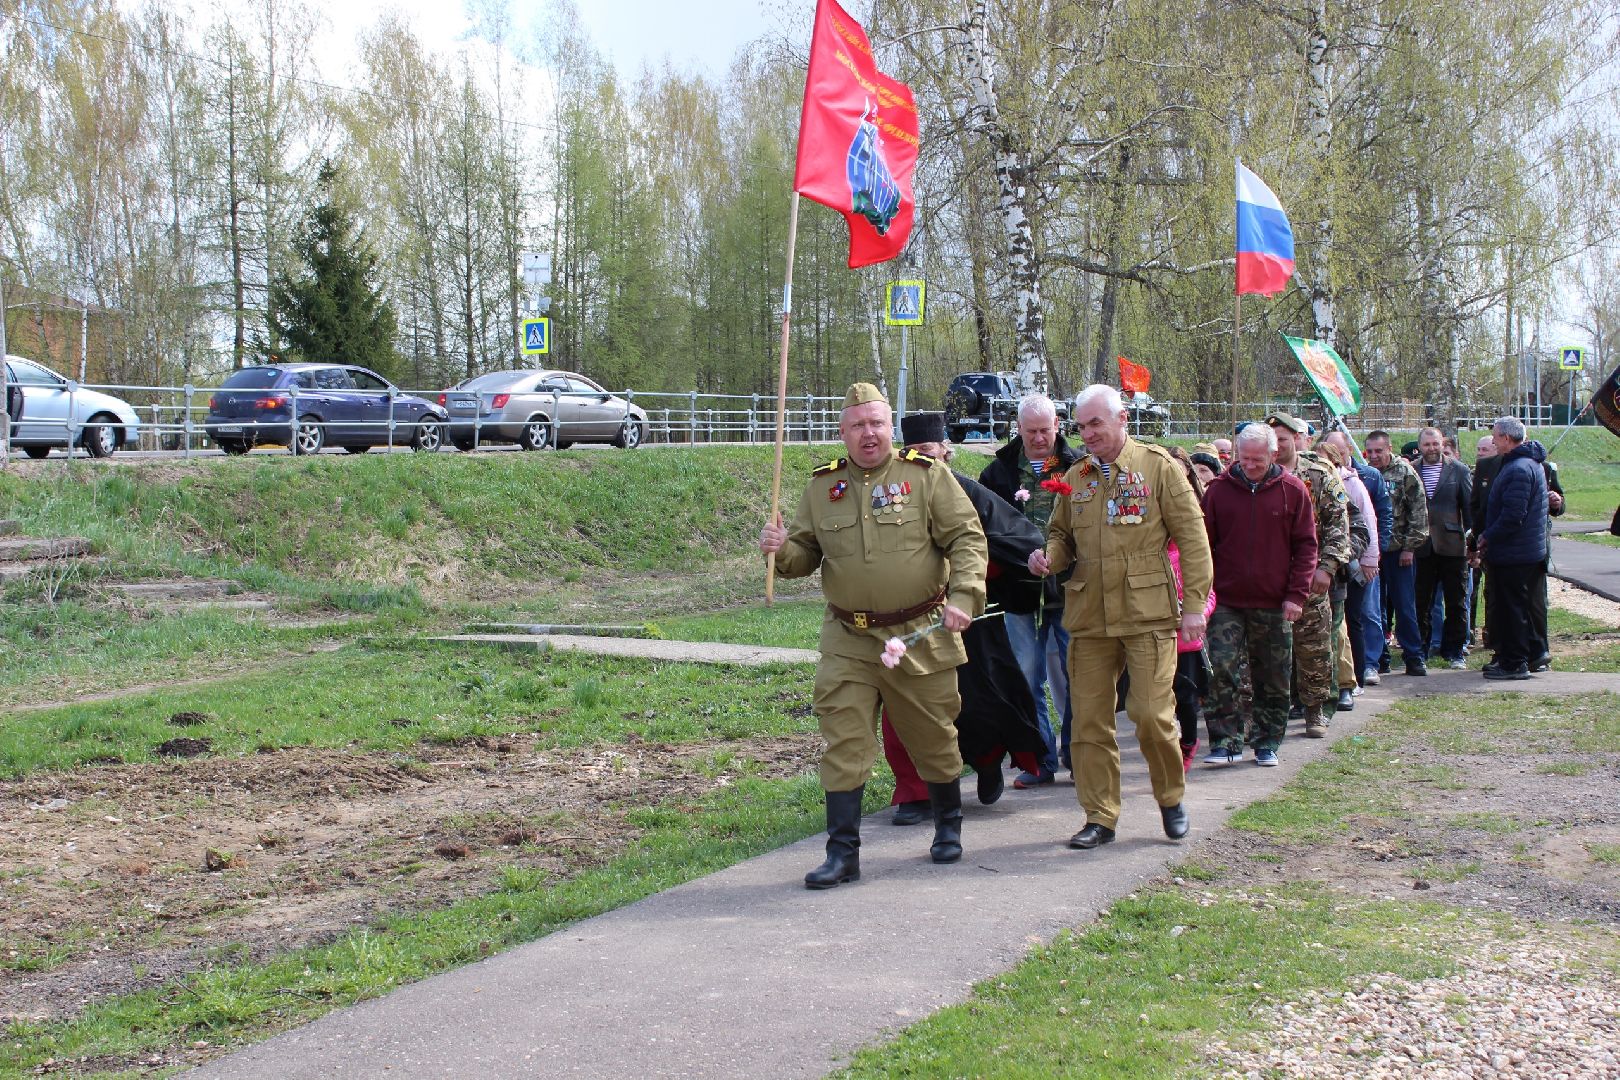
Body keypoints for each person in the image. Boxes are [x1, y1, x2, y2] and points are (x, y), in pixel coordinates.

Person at [759, 383, 988, 888]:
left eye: (877, 423)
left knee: (933, 735)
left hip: (919, 634)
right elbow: (802, 556)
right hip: (849, 636)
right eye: (859, 425)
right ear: (842, 432)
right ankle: (843, 853)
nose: (869, 433)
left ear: (891, 427)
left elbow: (967, 538)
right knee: (843, 740)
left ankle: (947, 825)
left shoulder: (925, 477)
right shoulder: (824, 488)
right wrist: (780, 548)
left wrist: (965, 596)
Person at [1027, 384, 1212, 850]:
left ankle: (1170, 798)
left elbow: (1194, 542)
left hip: (1148, 613)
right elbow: (1062, 535)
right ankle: (1100, 816)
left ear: (1122, 418)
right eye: (1081, 425)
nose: (1087, 434)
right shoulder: (1077, 476)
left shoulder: (1159, 468)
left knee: (1150, 714)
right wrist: (1048, 555)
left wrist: (1194, 609)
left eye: (1096, 423)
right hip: (1089, 615)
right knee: (1088, 721)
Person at [880, 412, 1046, 824]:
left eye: (932, 455)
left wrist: (993, 569)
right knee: (903, 708)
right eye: (916, 455)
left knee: (979, 706)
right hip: (910, 623)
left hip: (968, 621)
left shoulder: (970, 492)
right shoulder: (889, 498)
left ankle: (987, 763)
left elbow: (1018, 537)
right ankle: (915, 792)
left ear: (946, 455)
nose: (925, 463)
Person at [977, 393, 1081, 788]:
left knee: (1075, 676)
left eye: (1045, 429)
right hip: (1019, 592)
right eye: (1031, 430)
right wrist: (1021, 555)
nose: (1039, 438)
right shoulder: (998, 474)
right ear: (1018, 428)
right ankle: (1039, 758)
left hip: (1071, 590)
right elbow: (988, 529)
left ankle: (1076, 752)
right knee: (1026, 674)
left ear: (1058, 425)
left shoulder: (1078, 467)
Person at [1200, 423, 1318, 766]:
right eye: (1244, 458)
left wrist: (1296, 595)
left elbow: (1307, 547)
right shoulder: (1219, 491)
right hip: (1226, 600)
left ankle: (1267, 741)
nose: (1249, 465)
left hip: (1274, 601)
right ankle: (1225, 740)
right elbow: (1203, 544)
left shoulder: (1293, 491)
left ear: (1273, 454)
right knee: (1221, 669)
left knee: (1273, 675)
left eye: (1256, 459)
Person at [1267, 412, 1351, 739]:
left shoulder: (1317, 475)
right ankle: (1268, 711)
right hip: (1266, 580)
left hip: (1309, 579)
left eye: (1283, 441)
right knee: (1266, 650)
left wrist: (1327, 567)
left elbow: (1338, 527)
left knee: (1313, 648)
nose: (1276, 448)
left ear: (1297, 440)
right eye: (1272, 441)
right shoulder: (1255, 475)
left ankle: (1315, 709)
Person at [1471, 428, 1564, 670]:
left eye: (1495, 437)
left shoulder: (1520, 468)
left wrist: (1486, 537)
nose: (1493, 441)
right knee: (1514, 606)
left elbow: (1513, 515)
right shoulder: (1523, 465)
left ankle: (1515, 661)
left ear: (1506, 438)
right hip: (1518, 550)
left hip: (1516, 551)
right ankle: (1527, 653)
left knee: (1515, 608)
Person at [1322, 429, 1388, 687]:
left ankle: (1363, 671)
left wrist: (1370, 559)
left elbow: (1369, 522)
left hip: (1353, 562)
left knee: (1357, 617)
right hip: (1326, 564)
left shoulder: (1356, 481)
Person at [1317, 438, 1378, 710]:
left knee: (1341, 629)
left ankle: (1345, 685)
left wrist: (1347, 556)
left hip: (1338, 571)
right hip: (1303, 572)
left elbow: (1366, 525)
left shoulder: (1348, 486)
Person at [1166, 447, 1217, 770]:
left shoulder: (1192, 542)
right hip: (1154, 630)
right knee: (1159, 697)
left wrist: (1198, 613)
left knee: (1185, 696)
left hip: (1186, 634)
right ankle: (1167, 746)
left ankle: (1188, 741)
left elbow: (1208, 585)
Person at [1366, 430, 1429, 676]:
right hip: (1373, 553)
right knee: (1375, 608)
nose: (1374, 456)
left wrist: (1410, 547)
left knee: (1405, 606)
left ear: (1389, 448)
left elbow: (1419, 512)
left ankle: (1414, 656)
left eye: (1378, 451)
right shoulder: (1366, 474)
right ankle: (1380, 656)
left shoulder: (1405, 473)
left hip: (1399, 550)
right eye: (1369, 451)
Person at [1412, 427, 1472, 669]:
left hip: (1452, 546)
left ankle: (1455, 650)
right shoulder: (1412, 469)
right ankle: (1421, 649)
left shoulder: (1459, 470)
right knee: (1421, 601)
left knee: (1456, 601)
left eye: (1435, 444)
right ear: (1420, 447)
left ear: (1441, 444)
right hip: (1422, 546)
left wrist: (1473, 543)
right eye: (1427, 445)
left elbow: (1468, 509)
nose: (1432, 449)